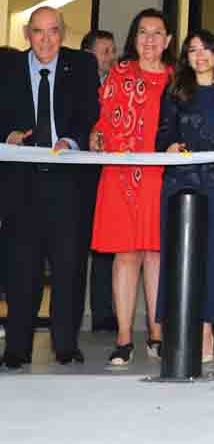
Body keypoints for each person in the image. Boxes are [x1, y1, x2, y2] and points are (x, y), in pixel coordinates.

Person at [0, 7, 99, 369]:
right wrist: (7, 136)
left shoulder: (83, 66)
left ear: (64, 32)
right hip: (20, 182)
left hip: (66, 180)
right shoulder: (6, 67)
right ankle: (17, 348)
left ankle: (65, 346)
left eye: (53, 31)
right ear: (27, 34)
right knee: (20, 268)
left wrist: (71, 142)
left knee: (68, 267)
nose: (46, 39)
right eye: (38, 32)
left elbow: (90, 112)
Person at [91, 8, 175, 366]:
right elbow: (101, 117)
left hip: (160, 177)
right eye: (143, 32)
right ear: (134, 37)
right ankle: (124, 336)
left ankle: (157, 333)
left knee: (156, 254)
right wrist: (95, 134)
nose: (150, 39)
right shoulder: (119, 73)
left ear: (168, 41)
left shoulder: (177, 79)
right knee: (125, 256)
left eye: (157, 33)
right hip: (121, 174)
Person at [155, 29, 214, 362]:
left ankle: (205, 329)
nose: (200, 55)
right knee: (177, 259)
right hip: (180, 184)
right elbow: (163, 132)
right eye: (193, 50)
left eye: (206, 49)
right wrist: (169, 145)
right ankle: (177, 329)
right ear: (185, 57)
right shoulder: (175, 92)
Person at [78, 29, 117, 334]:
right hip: (80, 178)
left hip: (111, 174)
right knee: (76, 248)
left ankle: (103, 314)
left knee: (107, 248)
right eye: (105, 51)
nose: (111, 57)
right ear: (88, 55)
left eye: (113, 50)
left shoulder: (117, 88)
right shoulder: (76, 87)